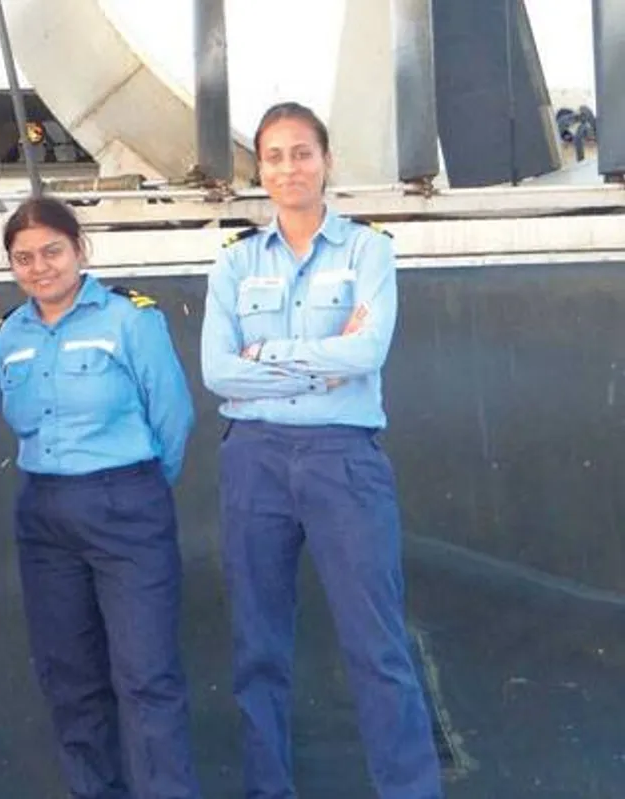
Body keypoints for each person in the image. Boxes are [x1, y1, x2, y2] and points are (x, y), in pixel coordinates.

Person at [199, 102, 444, 798]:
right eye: (273, 156)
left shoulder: (370, 250)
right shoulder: (235, 261)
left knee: (377, 645)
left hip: (343, 459)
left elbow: (368, 350)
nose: (288, 168)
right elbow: (219, 370)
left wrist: (270, 355)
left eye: (302, 153)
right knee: (258, 648)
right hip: (255, 459)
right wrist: (323, 359)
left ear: (326, 161)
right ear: (261, 170)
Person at [0, 197, 203, 799]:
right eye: (24, 258)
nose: (40, 268)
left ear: (80, 249)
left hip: (126, 505)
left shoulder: (130, 319)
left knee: (146, 678)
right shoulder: (9, 334)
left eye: (52, 251)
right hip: (44, 517)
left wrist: (133, 492)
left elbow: (173, 419)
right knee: (70, 679)